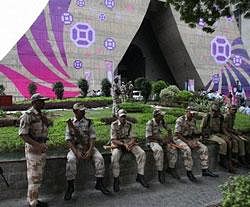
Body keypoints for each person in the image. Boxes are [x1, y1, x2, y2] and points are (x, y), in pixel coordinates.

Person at [64, 103, 110, 200]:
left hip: (89, 146)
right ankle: (70, 187)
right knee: (71, 160)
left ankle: (99, 183)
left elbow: (92, 138)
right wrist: (76, 152)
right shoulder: (70, 123)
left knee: (99, 158)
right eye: (81, 111)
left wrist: (89, 151)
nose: (84, 112)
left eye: (84, 110)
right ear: (75, 111)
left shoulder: (88, 122)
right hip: (76, 148)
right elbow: (68, 140)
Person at [19, 93, 51, 207]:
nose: (43, 103)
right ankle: (33, 204)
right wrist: (37, 145)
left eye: (44, 101)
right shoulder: (27, 115)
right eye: (41, 101)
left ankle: (34, 200)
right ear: (34, 102)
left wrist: (44, 118)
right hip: (34, 149)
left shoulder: (40, 114)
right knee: (34, 177)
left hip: (41, 148)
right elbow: (23, 135)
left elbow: (49, 124)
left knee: (38, 176)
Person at [173, 106, 218, 182]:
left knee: (204, 148)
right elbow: (177, 134)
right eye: (191, 113)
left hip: (189, 138)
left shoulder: (193, 120)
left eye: (194, 114)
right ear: (187, 112)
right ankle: (189, 172)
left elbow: (194, 132)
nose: (193, 115)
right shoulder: (180, 120)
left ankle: (205, 170)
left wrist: (196, 140)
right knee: (187, 150)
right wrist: (188, 143)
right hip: (179, 139)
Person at [111, 109, 149, 192]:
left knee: (142, 153)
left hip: (129, 144)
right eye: (121, 117)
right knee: (115, 156)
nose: (123, 118)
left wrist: (130, 144)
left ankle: (140, 176)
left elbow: (134, 137)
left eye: (124, 116)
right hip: (119, 144)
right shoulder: (114, 125)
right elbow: (113, 140)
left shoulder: (130, 124)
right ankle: (116, 179)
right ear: (118, 117)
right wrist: (123, 144)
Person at [145, 109, 180, 184]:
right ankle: (160, 172)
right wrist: (161, 139)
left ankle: (171, 168)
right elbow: (148, 137)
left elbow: (169, 130)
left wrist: (169, 138)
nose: (162, 116)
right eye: (161, 115)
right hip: (153, 141)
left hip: (162, 141)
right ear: (156, 116)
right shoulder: (150, 123)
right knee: (159, 151)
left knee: (173, 148)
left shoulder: (162, 121)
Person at [200, 103, 235, 173]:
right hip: (210, 134)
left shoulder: (220, 117)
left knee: (230, 141)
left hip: (218, 133)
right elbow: (202, 127)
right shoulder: (207, 116)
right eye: (213, 110)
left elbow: (222, 127)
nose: (214, 112)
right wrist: (202, 136)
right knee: (223, 143)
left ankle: (230, 158)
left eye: (216, 111)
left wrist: (227, 135)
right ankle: (222, 160)